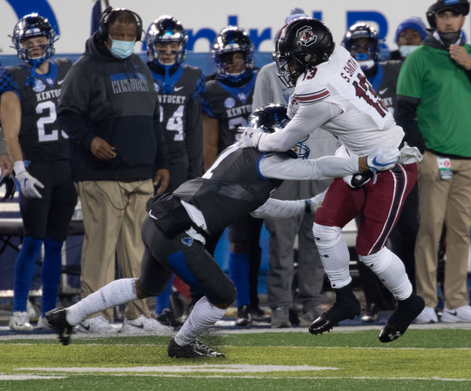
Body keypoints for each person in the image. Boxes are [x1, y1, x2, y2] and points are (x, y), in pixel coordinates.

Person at [46, 104, 401, 357]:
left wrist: (308, 206)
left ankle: (69, 315)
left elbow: (255, 204)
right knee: (223, 294)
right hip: (180, 232)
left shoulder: (239, 152)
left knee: (147, 286)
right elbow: (316, 167)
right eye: (291, 132)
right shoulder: (268, 160)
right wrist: (363, 162)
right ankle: (182, 344)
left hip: (160, 221)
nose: (297, 138)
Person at [240, 18, 424, 343]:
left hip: (390, 164)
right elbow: (307, 100)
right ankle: (345, 299)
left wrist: (256, 138)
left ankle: (409, 302)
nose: (287, 66)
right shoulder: (335, 54)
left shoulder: (316, 87)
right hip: (355, 158)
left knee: (370, 252)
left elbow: (282, 142)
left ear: (311, 56)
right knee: (323, 227)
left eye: (292, 59)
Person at [57, 7, 170, 333]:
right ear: (105, 33)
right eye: (118, 35)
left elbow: (152, 119)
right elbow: (66, 114)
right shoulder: (85, 68)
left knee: (139, 248)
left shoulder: (139, 65)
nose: (123, 41)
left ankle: (137, 315)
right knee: (101, 247)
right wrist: (90, 140)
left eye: (129, 36)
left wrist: (161, 161)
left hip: (140, 171)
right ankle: (92, 317)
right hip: (99, 173)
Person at [394, 0, 471, 323]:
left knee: (460, 233)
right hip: (434, 158)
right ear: (435, 20)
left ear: (463, 17)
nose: (450, 21)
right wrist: (423, 151)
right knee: (429, 229)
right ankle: (426, 302)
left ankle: (456, 301)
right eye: (443, 15)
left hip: (470, 158)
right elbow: (404, 111)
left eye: (455, 15)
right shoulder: (420, 58)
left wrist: (470, 65)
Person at [252, 7, 337, 328]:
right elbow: (260, 124)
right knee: (281, 242)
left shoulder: (329, 72)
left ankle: (312, 303)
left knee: (319, 239)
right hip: (285, 170)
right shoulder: (268, 74)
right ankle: (280, 304)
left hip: (322, 165)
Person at [0, 14, 77, 331]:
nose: (34, 47)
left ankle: (49, 312)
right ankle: (19, 311)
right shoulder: (13, 76)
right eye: (28, 43)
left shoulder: (68, 69)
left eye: (39, 41)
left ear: (50, 41)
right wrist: (19, 169)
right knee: (32, 240)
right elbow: (11, 132)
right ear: (19, 46)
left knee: (56, 242)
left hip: (66, 166)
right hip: (36, 166)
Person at [341, 23, 419, 324]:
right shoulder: (343, 82)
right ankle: (372, 301)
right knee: (369, 235)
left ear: (377, 46)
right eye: (356, 45)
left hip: (399, 163)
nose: (361, 50)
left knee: (407, 231)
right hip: (365, 166)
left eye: (366, 44)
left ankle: (405, 297)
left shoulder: (396, 71)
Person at [202, 26, 268, 326]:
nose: (232, 62)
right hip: (236, 175)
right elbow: (211, 142)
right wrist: (213, 178)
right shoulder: (212, 90)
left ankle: (254, 303)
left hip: (268, 169)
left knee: (258, 242)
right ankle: (243, 305)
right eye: (227, 57)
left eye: (237, 56)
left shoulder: (263, 79)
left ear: (247, 56)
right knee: (240, 240)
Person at [144, 15, 205, 325]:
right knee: (148, 237)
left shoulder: (193, 76)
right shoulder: (140, 73)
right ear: (151, 47)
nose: (167, 52)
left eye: (173, 46)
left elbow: (195, 132)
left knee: (176, 236)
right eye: (162, 46)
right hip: (150, 161)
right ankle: (151, 305)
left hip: (180, 161)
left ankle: (171, 304)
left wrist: (198, 174)